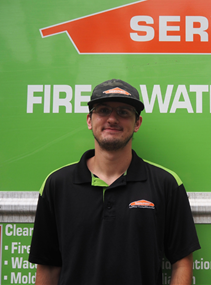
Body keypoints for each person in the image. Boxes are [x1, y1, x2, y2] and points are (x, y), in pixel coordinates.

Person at [29, 79, 201, 285]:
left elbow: (181, 261)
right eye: (103, 111)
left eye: (123, 112)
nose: (112, 119)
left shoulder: (166, 183)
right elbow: (47, 266)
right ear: (89, 120)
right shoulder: (57, 184)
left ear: (137, 123)